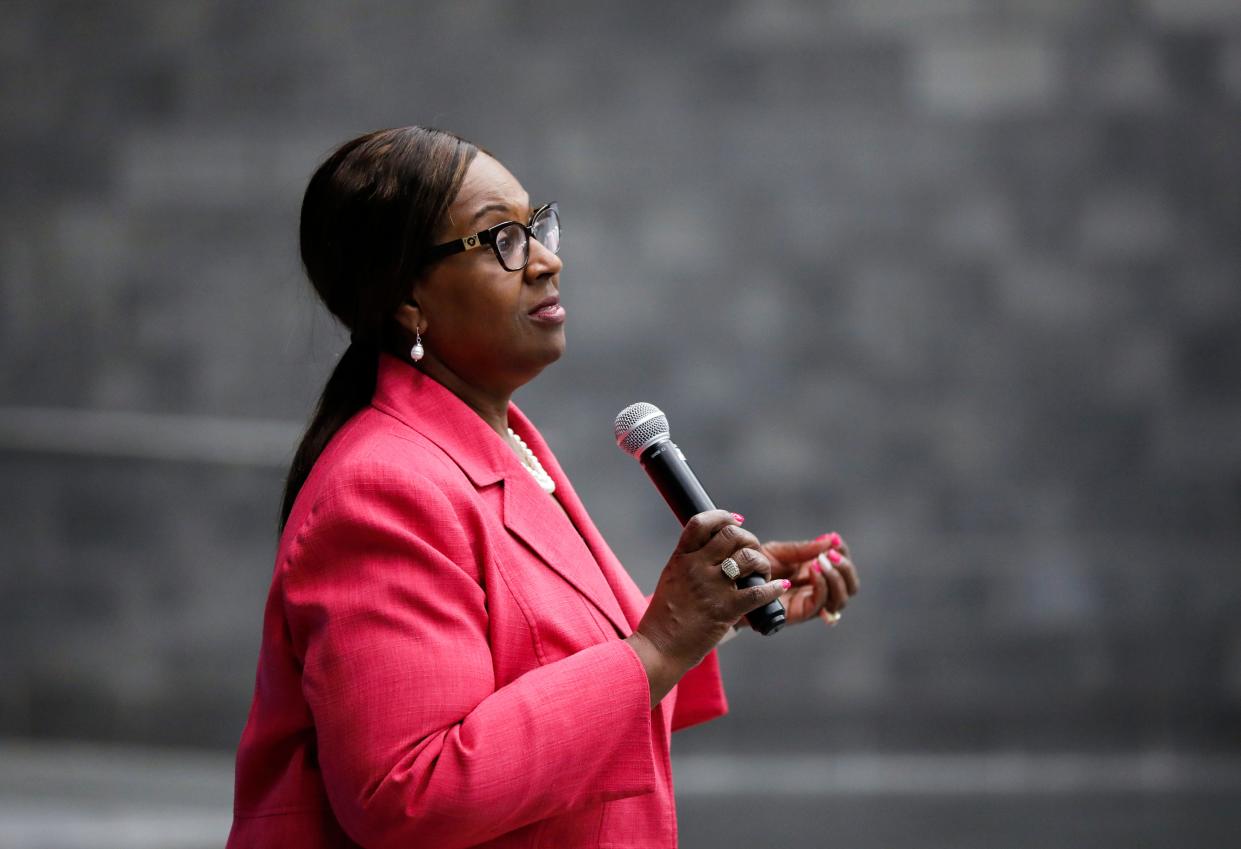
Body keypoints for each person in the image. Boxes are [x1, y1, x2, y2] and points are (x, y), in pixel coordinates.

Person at [226, 126, 860, 849]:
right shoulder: (381, 487)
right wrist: (658, 643)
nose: (547, 259)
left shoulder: (503, 441)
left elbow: (572, 675)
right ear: (408, 300)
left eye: (536, 226)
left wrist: (720, 608)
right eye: (501, 239)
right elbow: (407, 791)